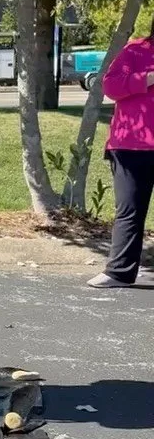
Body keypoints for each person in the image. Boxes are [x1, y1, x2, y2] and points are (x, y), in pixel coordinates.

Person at [88, 23, 154, 288]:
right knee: (129, 211)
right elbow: (110, 86)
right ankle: (119, 272)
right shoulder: (136, 50)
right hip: (130, 147)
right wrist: (147, 78)